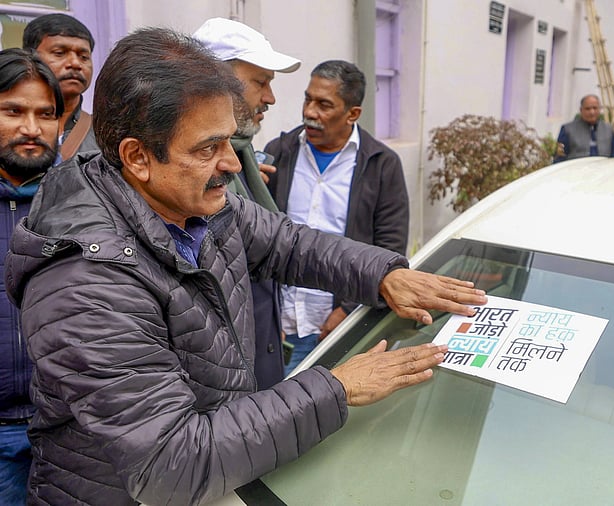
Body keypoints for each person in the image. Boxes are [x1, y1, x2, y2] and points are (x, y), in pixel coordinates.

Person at [4, 28, 486, 505]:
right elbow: (171, 463)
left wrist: (384, 274)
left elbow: (289, 244)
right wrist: (337, 388)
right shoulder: (85, 282)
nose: (232, 165)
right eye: (207, 148)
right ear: (137, 157)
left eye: (230, 142)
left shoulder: (199, 204)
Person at [265, 60, 410, 373]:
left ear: (352, 114)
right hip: (278, 327)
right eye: (308, 99)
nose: (310, 112)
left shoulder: (381, 165)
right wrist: (267, 313)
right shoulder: (279, 152)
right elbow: (260, 237)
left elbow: (390, 249)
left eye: (324, 104)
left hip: (335, 330)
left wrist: (347, 310)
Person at [193, 17, 301, 389]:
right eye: (261, 82)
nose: (270, 98)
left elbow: (282, 246)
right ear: (215, 81)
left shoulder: (248, 164)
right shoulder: (190, 179)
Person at [0, 48, 62, 506]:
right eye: (13, 111)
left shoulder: (85, 202)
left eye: (46, 114)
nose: (31, 128)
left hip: (68, 432)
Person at [22, 13, 98, 164]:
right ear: (29, 57)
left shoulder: (105, 133)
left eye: (84, 56)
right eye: (59, 53)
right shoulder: (9, 126)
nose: (75, 63)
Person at [554, 94, 614, 162]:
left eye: (595, 108)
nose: (592, 112)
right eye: (588, 109)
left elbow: (613, 157)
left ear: (600, 109)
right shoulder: (567, 130)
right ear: (581, 110)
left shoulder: (608, 129)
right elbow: (560, 157)